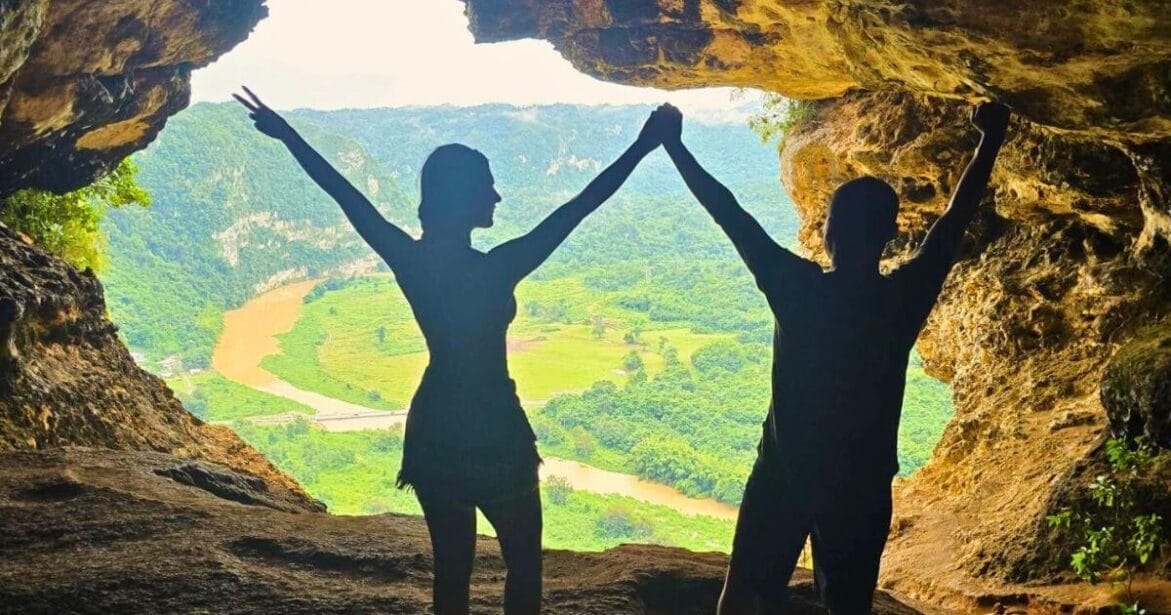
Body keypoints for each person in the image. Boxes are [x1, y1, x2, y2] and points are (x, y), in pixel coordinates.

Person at [235, 88, 669, 615]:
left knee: (452, 576)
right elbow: (576, 209)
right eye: (488, 188)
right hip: (494, 431)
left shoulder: (414, 263)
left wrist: (289, 136)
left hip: (435, 430)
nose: (497, 198)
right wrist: (645, 146)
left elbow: (347, 197)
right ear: (463, 198)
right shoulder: (497, 268)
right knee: (525, 569)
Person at [650, 101, 1011, 614]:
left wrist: (675, 146)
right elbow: (953, 221)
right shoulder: (901, 299)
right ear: (888, 237)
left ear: (828, 232)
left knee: (746, 592)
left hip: (784, 470)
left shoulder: (795, 286)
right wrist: (990, 139)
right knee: (848, 603)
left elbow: (729, 213)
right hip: (861, 480)